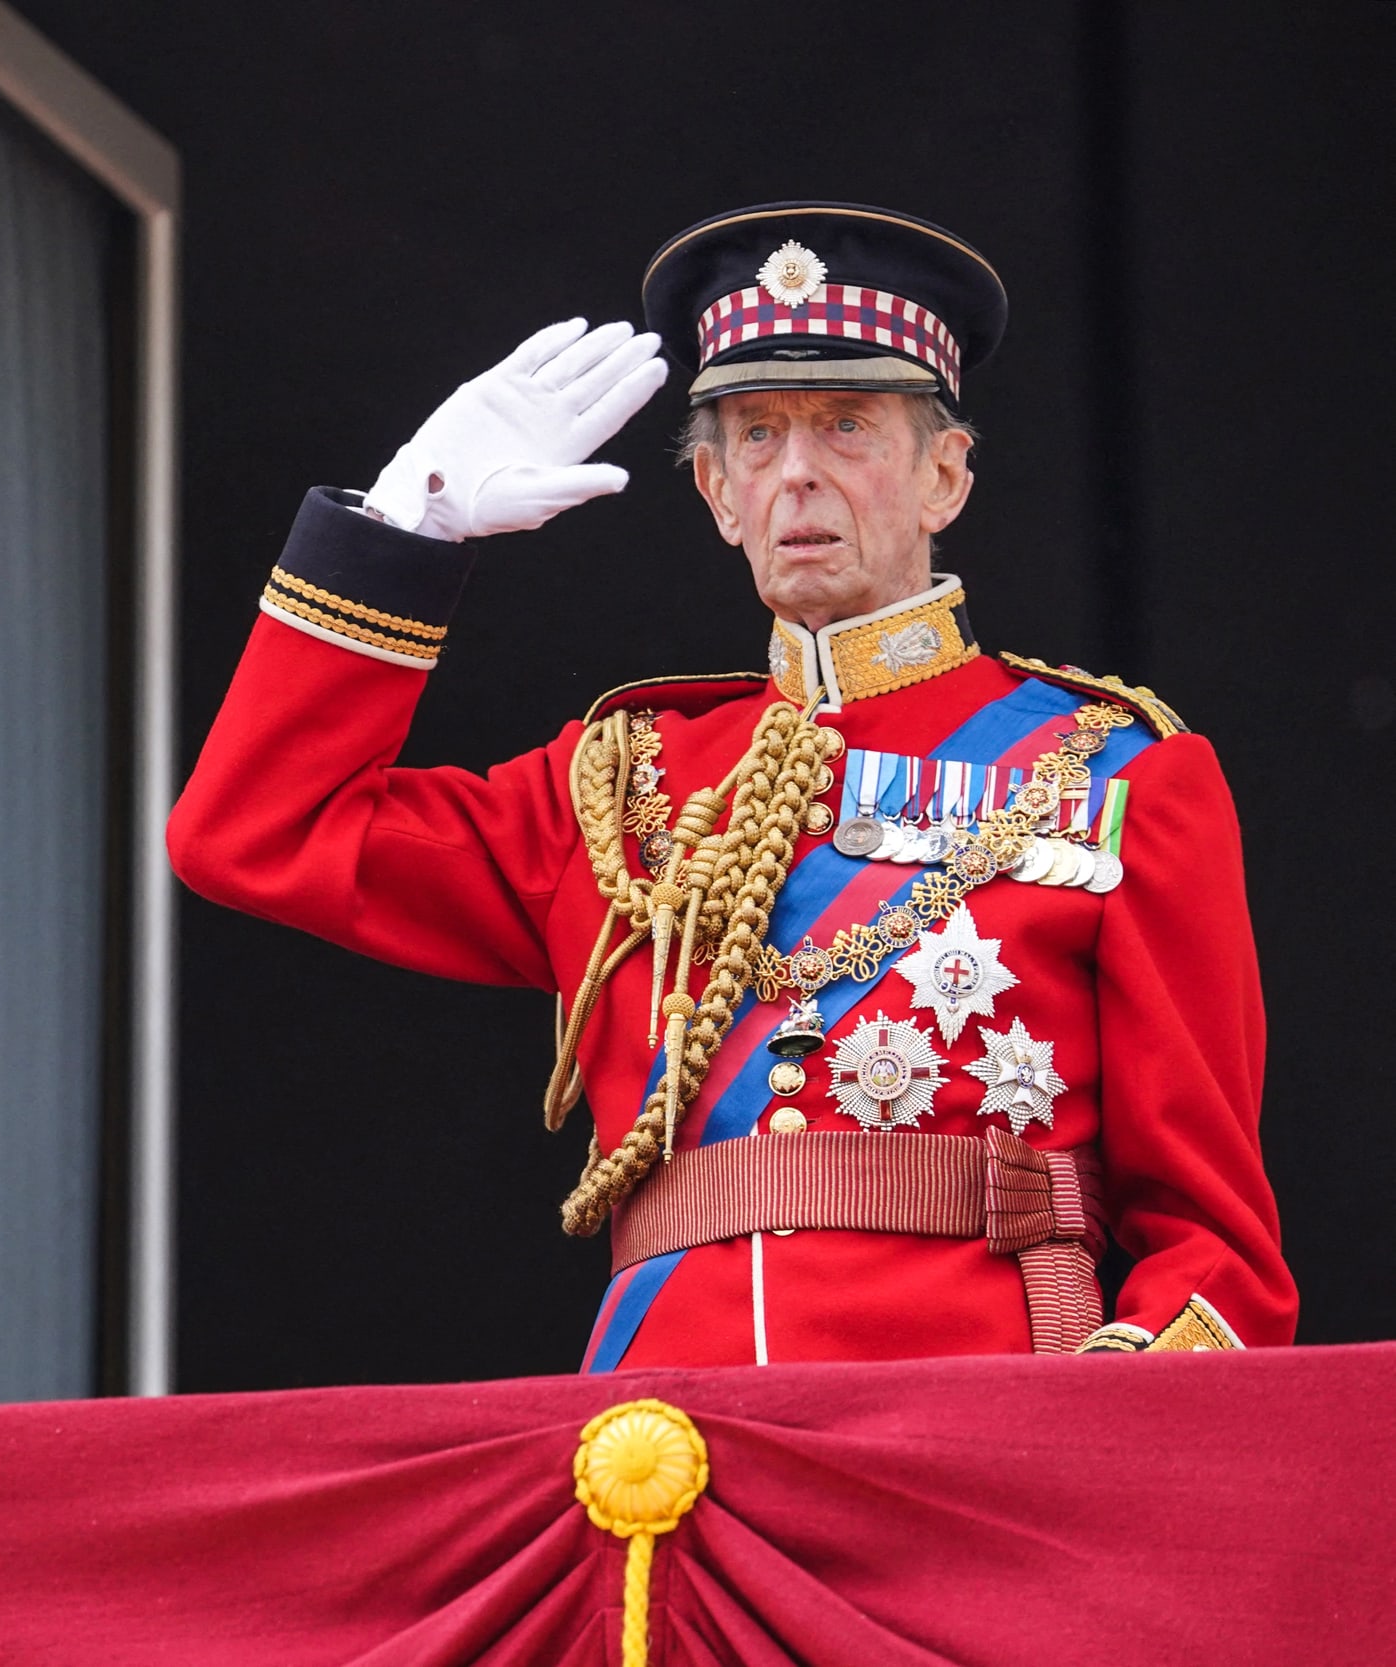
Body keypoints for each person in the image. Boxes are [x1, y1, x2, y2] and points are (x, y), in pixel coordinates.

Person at [167, 202, 1296, 1371]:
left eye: (847, 426)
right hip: (665, 1450)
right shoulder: (615, 785)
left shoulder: (1116, 774)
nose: (797, 474)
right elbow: (252, 830)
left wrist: (1097, 1432)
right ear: (715, 491)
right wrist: (408, 528)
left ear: (944, 476)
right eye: (757, 437)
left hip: (978, 1449)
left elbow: (1215, 1245)